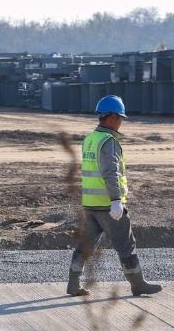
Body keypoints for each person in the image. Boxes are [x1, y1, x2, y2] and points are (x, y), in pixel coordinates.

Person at [66, 95, 162, 297]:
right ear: (110, 117)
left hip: (90, 204)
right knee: (126, 245)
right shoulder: (108, 142)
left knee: (86, 245)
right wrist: (116, 200)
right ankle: (138, 284)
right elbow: (111, 173)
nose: (121, 122)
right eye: (120, 117)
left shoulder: (90, 139)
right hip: (108, 205)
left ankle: (73, 284)